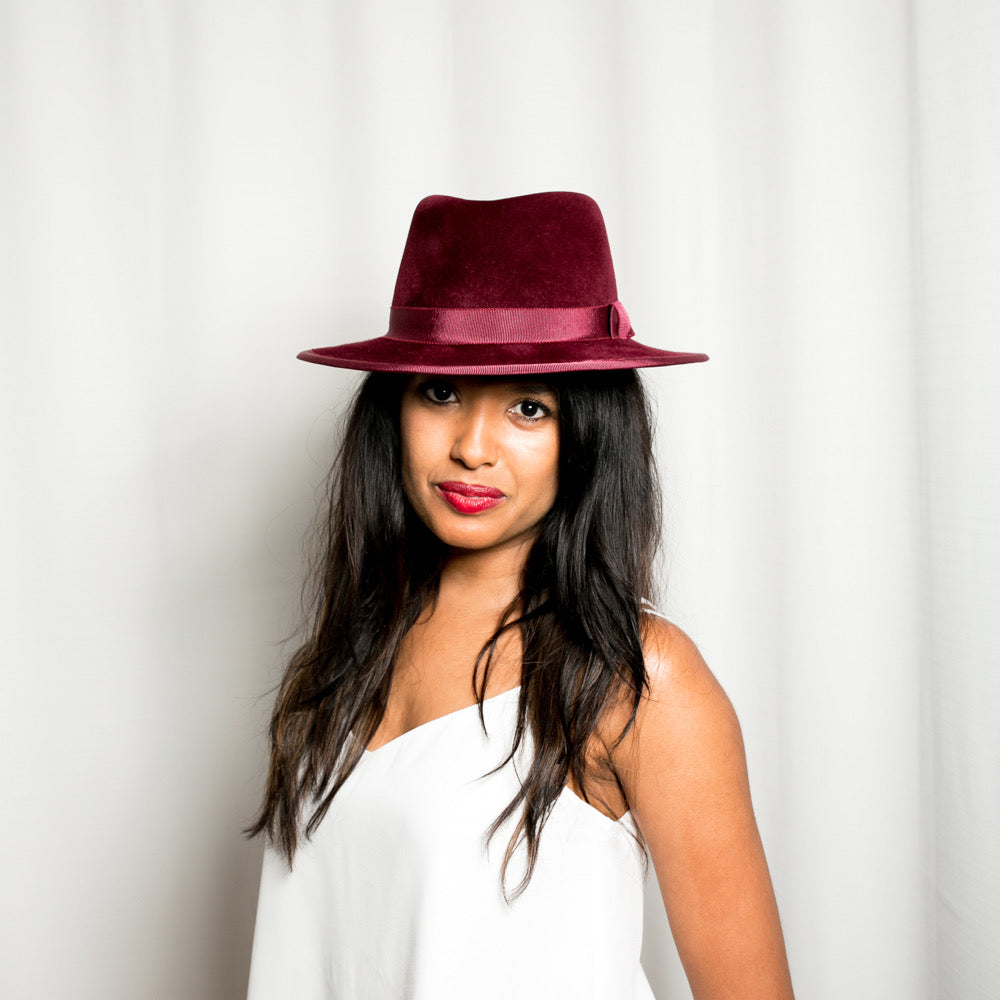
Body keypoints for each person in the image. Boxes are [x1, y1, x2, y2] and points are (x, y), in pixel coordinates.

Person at [244, 192, 794, 999]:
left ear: (590, 436)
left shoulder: (634, 676)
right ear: (389, 411)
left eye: (529, 407)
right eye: (439, 394)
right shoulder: (334, 662)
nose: (471, 446)